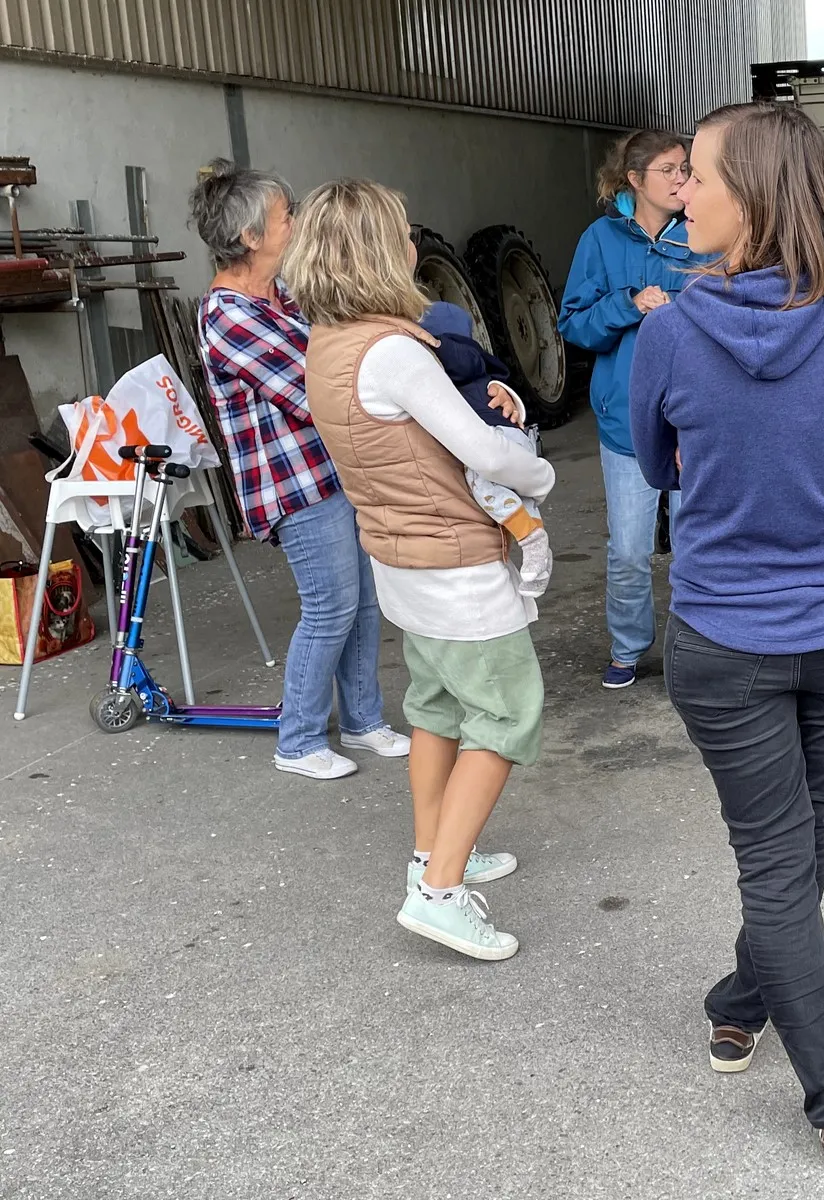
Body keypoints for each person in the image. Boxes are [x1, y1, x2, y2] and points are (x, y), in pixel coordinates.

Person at [629, 102, 824, 1173]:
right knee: (796, 850)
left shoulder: (669, 333)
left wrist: (731, 456)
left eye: (697, 175)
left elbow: (658, 464)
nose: (681, 193)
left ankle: (757, 1015)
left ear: (753, 194)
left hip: (726, 638)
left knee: (785, 859)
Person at [283, 179, 555, 961]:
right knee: (506, 714)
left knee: (435, 709)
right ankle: (439, 891)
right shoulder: (393, 351)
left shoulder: (329, 340)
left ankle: (433, 853)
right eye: (401, 232)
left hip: (398, 557)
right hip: (453, 565)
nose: (412, 244)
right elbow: (485, 450)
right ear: (376, 252)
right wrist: (539, 476)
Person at [190, 159, 409, 781]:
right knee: (329, 607)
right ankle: (299, 738)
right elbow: (317, 387)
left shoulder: (281, 293)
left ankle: (363, 720)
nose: (297, 224)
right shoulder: (228, 315)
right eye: (286, 217)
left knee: (363, 602)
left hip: (332, 470)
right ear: (250, 236)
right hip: (293, 485)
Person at [558, 130, 702, 690]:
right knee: (628, 550)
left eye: (685, 168)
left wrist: (680, 307)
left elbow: (729, 308)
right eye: (669, 170)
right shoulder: (600, 239)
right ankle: (627, 647)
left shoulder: (702, 231)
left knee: (696, 545)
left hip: (693, 419)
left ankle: (697, 648)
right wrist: (629, 304)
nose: (681, 180)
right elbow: (573, 324)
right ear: (635, 180)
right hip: (626, 422)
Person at [417, 300, 553, 598]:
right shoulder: (480, 371)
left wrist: (434, 344)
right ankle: (538, 556)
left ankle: (530, 540)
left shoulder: (459, 356)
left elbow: (460, 359)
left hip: (498, 436)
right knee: (523, 497)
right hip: (513, 436)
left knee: (482, 484)